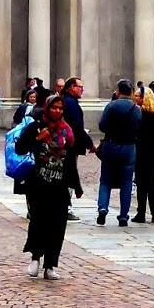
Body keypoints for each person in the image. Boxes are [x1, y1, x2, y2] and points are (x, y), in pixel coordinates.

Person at [14, 94, 80, 280]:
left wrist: (77, 186)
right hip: (38, 183)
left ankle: (50, 264)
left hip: (59, 185)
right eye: (54, 108)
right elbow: (20, 148)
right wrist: (37, 139)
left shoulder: (67, 131)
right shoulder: (36, 126)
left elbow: (70, 161)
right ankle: (35, 258)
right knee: (38, 221)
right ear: (47, 108)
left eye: (60, 108)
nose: (58, 111)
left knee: (57, 225)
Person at [95, 78, 140, 227]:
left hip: (111, 145)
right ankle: (123, 216)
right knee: (126, 182)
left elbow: (102, 126)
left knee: (106, 180)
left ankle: (102, 208)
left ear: (118, 91)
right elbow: (139, 128)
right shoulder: (136, 109)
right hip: (128, 147)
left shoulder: (111, 106)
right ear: (131, 92)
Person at [60, 77, 92, 219]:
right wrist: (90, 144)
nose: (82, 89)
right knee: (67, 174)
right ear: (71, 87)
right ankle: (65, 207)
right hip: (68, 145)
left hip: (64, 144)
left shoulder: (67, 101)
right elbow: (77, 128)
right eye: (80, 86)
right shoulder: (71, 103)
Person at [135, 85, 154, 225]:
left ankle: (141, 213)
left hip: (141, 151)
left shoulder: (139, 114)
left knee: (141, 183)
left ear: (144, 98)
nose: (135, 98)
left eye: (137, 96)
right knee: (152, 182)